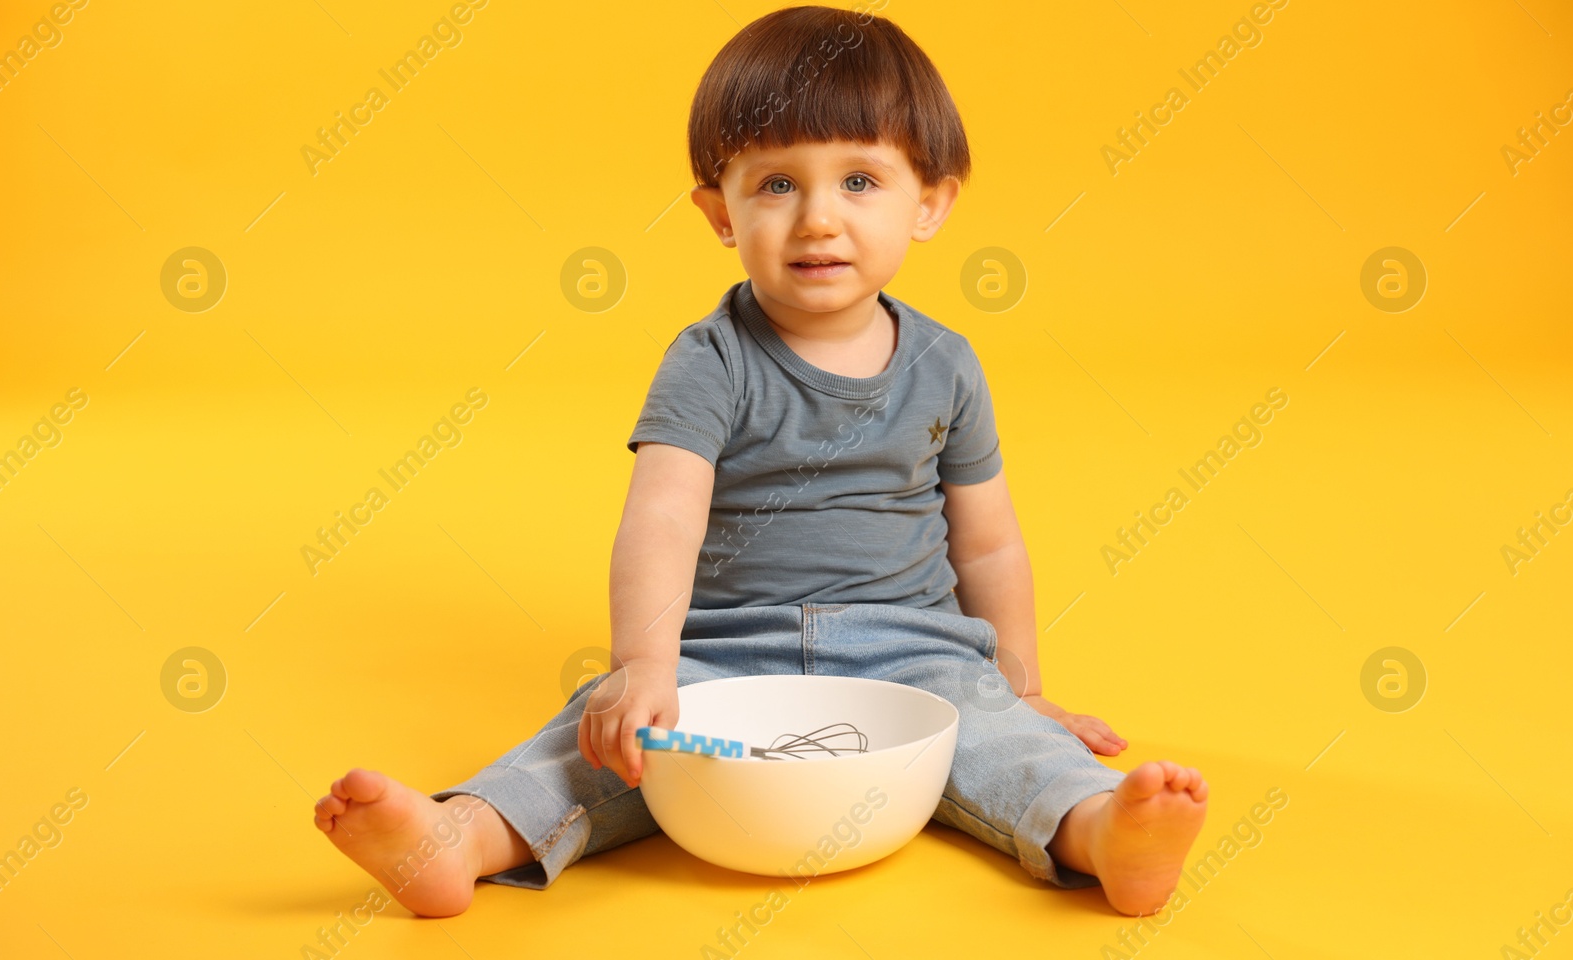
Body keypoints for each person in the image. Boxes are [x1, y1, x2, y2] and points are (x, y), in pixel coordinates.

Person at [312, 3, 1208, 919]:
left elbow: (988, 545)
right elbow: (662, 517)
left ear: (930, 202)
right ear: (720, 213)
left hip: (916, 651)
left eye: (860, 180)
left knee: (996, 744)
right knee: (597, 746)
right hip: (723, 653)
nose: (818, 219)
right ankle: (459, 835)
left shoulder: (946, 365)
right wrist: (644, 666)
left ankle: (1103, 834)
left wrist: (1021, 691)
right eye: (777, 185)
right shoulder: (710, 359)